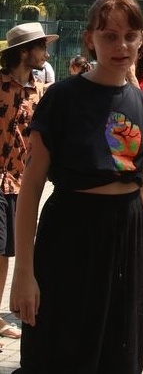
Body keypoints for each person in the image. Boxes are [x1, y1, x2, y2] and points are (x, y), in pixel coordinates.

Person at [11, 0, 143, 372]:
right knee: (63, 352)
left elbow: (140, 184)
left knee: (120, 355)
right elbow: (30, 190)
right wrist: (23, 275)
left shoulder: (142, 103)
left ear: (141, 38)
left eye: (130, 35)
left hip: (127, 240)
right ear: (90, 38)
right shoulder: (62, 99)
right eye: (109, 35)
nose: (121, 45)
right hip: (71, 239)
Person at [0, 23, 57, 341]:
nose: (46, 54)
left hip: (21, 184)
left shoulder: (41, 92)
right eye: (41, 47)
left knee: (7, 253)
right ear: (24, 51)